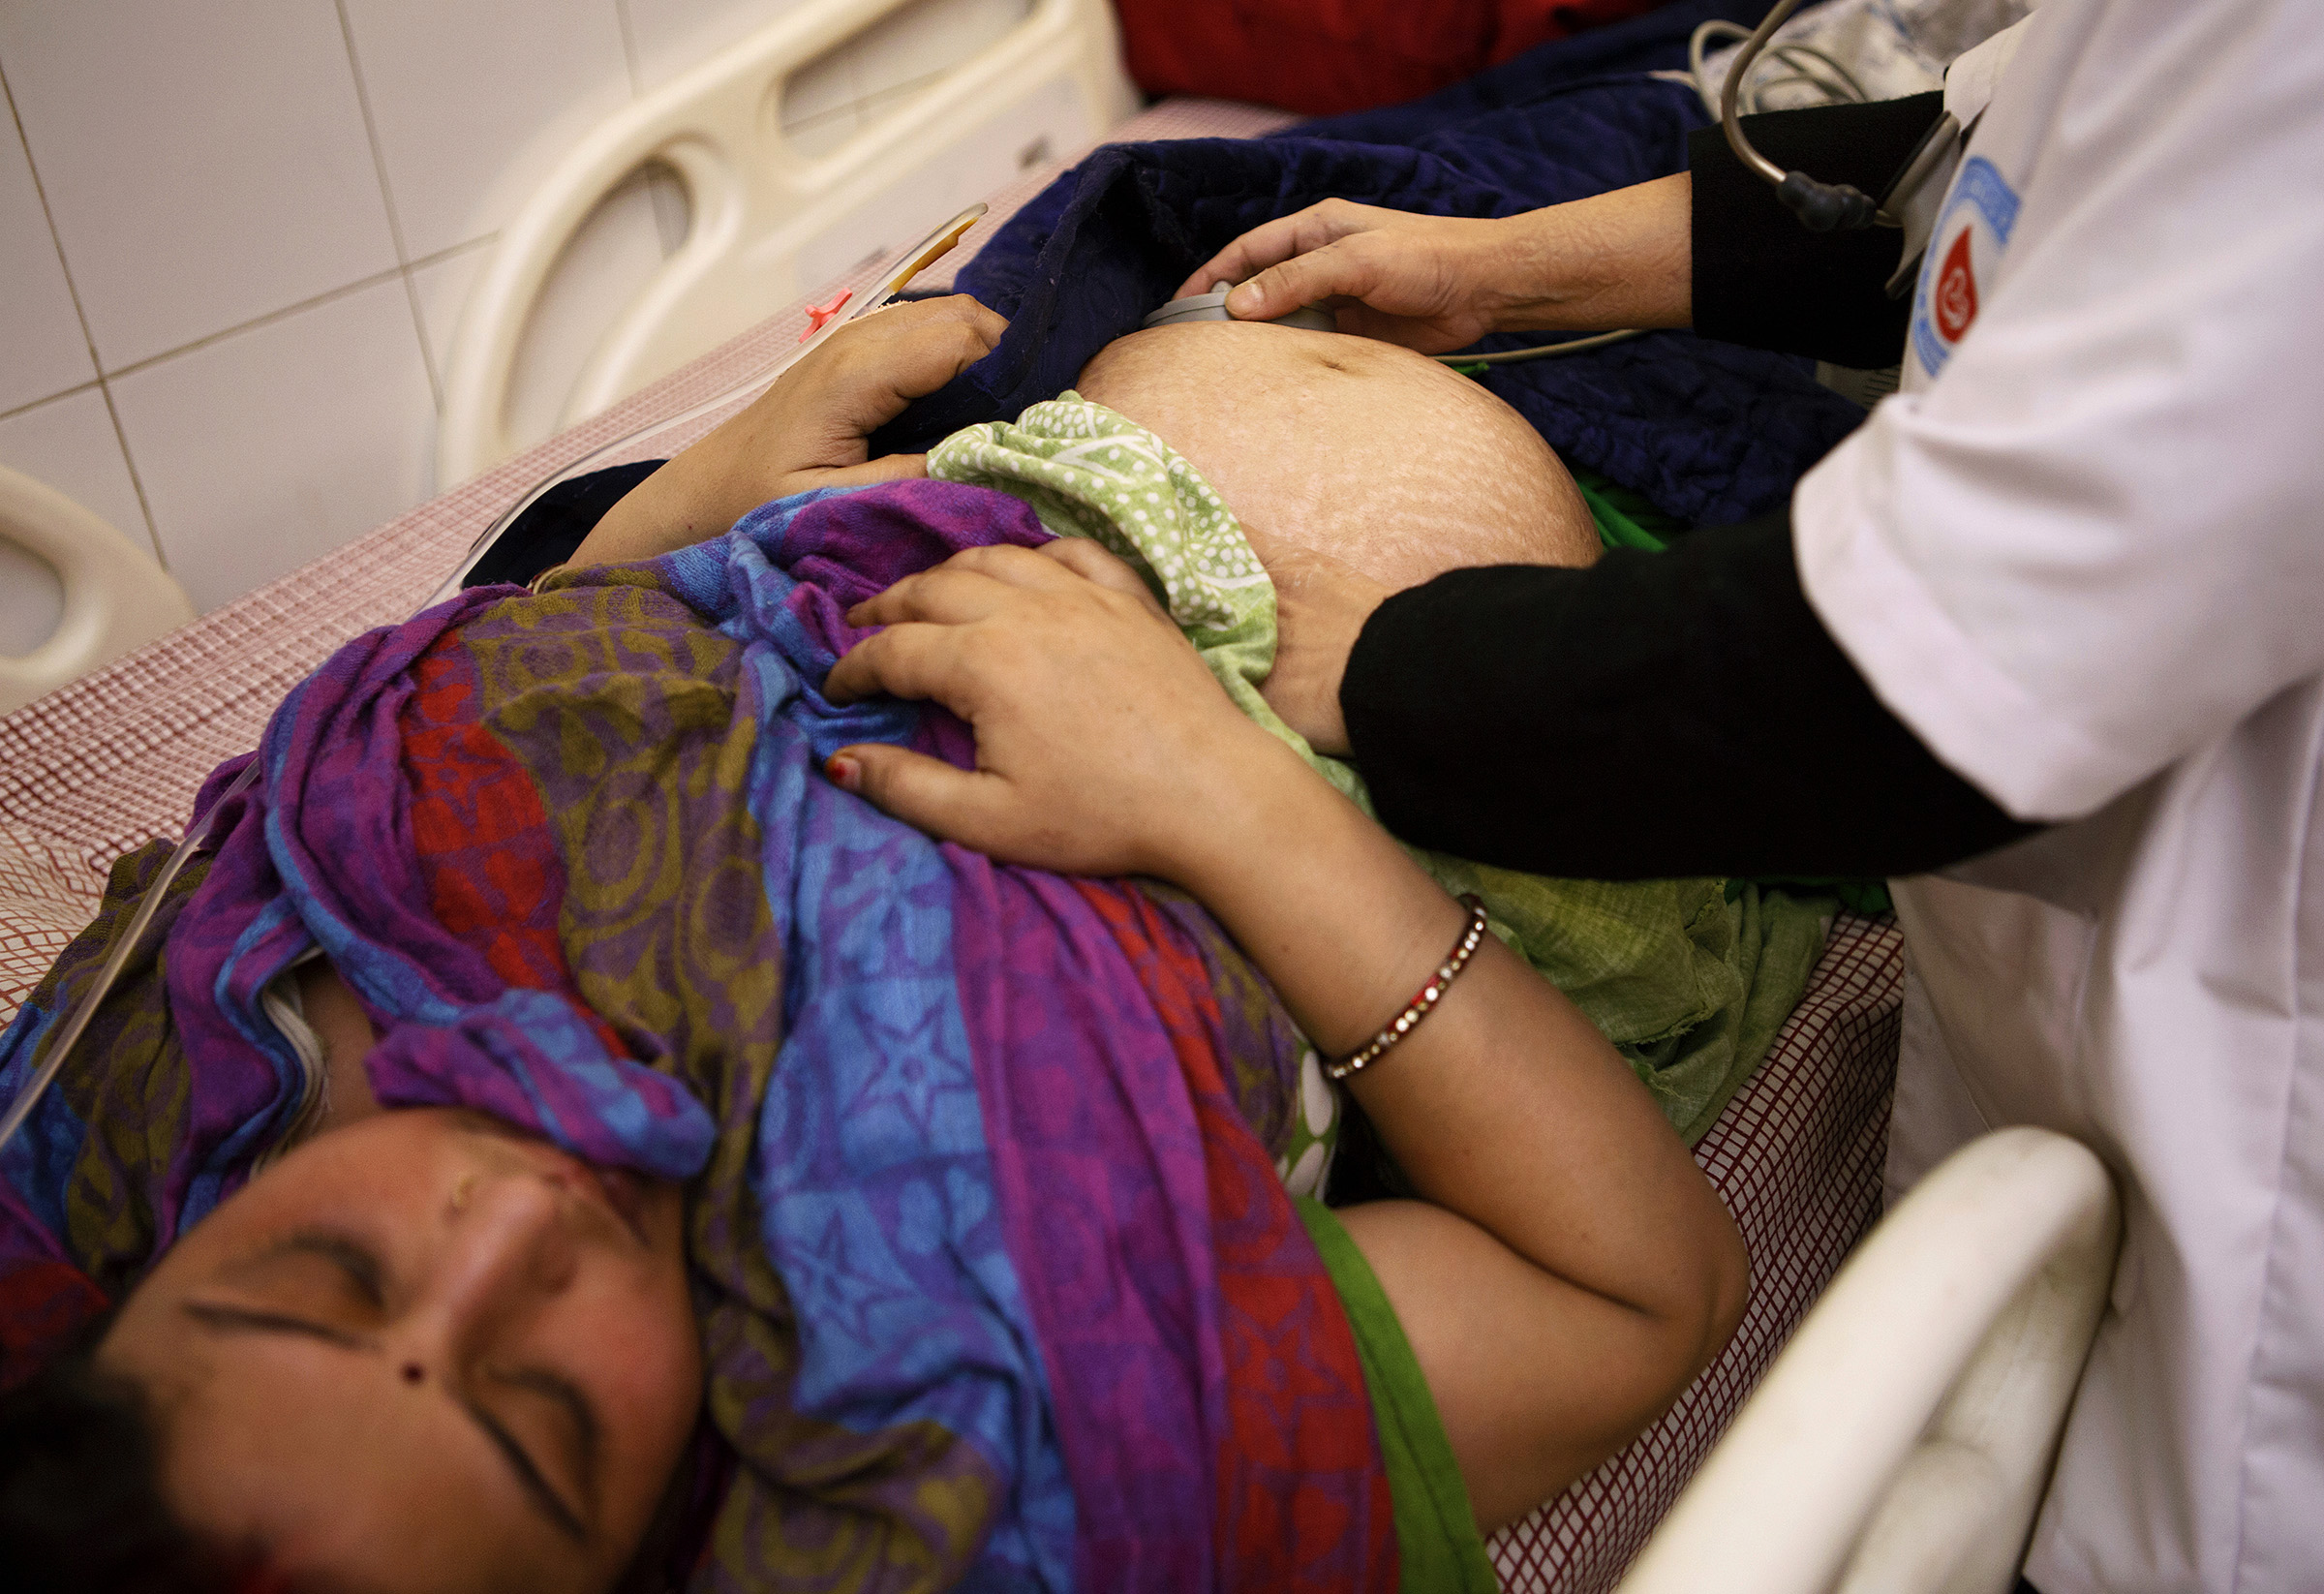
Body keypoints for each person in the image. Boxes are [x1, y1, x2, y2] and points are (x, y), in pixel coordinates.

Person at [817, 3, 2324, 1591]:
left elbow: (1913, 684)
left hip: (2228, 1137)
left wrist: (1362, 685)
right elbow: (1977, 170)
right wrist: (1492, 264)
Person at [0, 297, 1746, 1594]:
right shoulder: (1001, 1417)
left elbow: (475, 694)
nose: (517, 1222)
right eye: (545, 1417)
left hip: (1071, 367)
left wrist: (674, 520)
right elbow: (1632, 1292)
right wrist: (1224, 793)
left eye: (325, 1278)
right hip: (1649, 579)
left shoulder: (162, 1072)